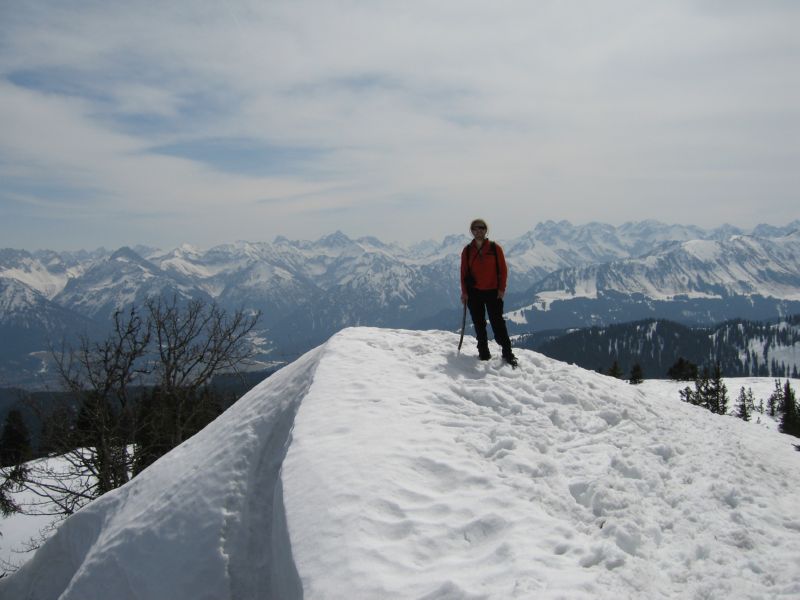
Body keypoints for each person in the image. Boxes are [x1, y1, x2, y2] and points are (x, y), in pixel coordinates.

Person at [460, 218, 518, 367]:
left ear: (486, 230)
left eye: (481, 228)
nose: (478, 231)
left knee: (498, 324)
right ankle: (483, 353)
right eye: (475, 228)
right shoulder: (467, 251)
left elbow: (503, 271)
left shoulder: (494, 248)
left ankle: (507, 353)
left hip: (493, 292)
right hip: (474, 293)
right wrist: (464, 292)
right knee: (479, 325)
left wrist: (501, 289)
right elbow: (463, 274)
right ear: (471, 231)